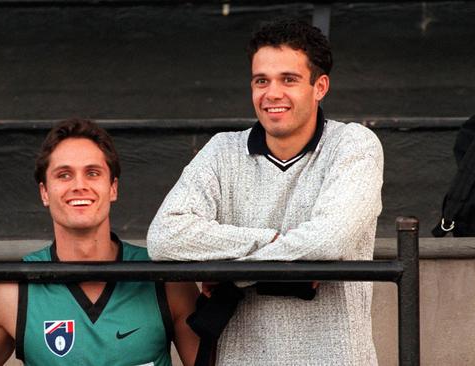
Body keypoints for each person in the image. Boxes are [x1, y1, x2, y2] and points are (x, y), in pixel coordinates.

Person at [147, 19, 383, 365]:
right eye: (261, 81)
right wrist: (276, 247)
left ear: (320, 86)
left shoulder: (353, 145)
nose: (272, 93)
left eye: (289, 79)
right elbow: (164, 237)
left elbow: (327, 242)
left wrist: (229, 273)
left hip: (335, 356)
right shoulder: (221, 151)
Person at [0, 118, 200, 366]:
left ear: (112, 188)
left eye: (92, 173)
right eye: (64, 175)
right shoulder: (10, 293)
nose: (79, 185)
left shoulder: (165, 280)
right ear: (44, 192)